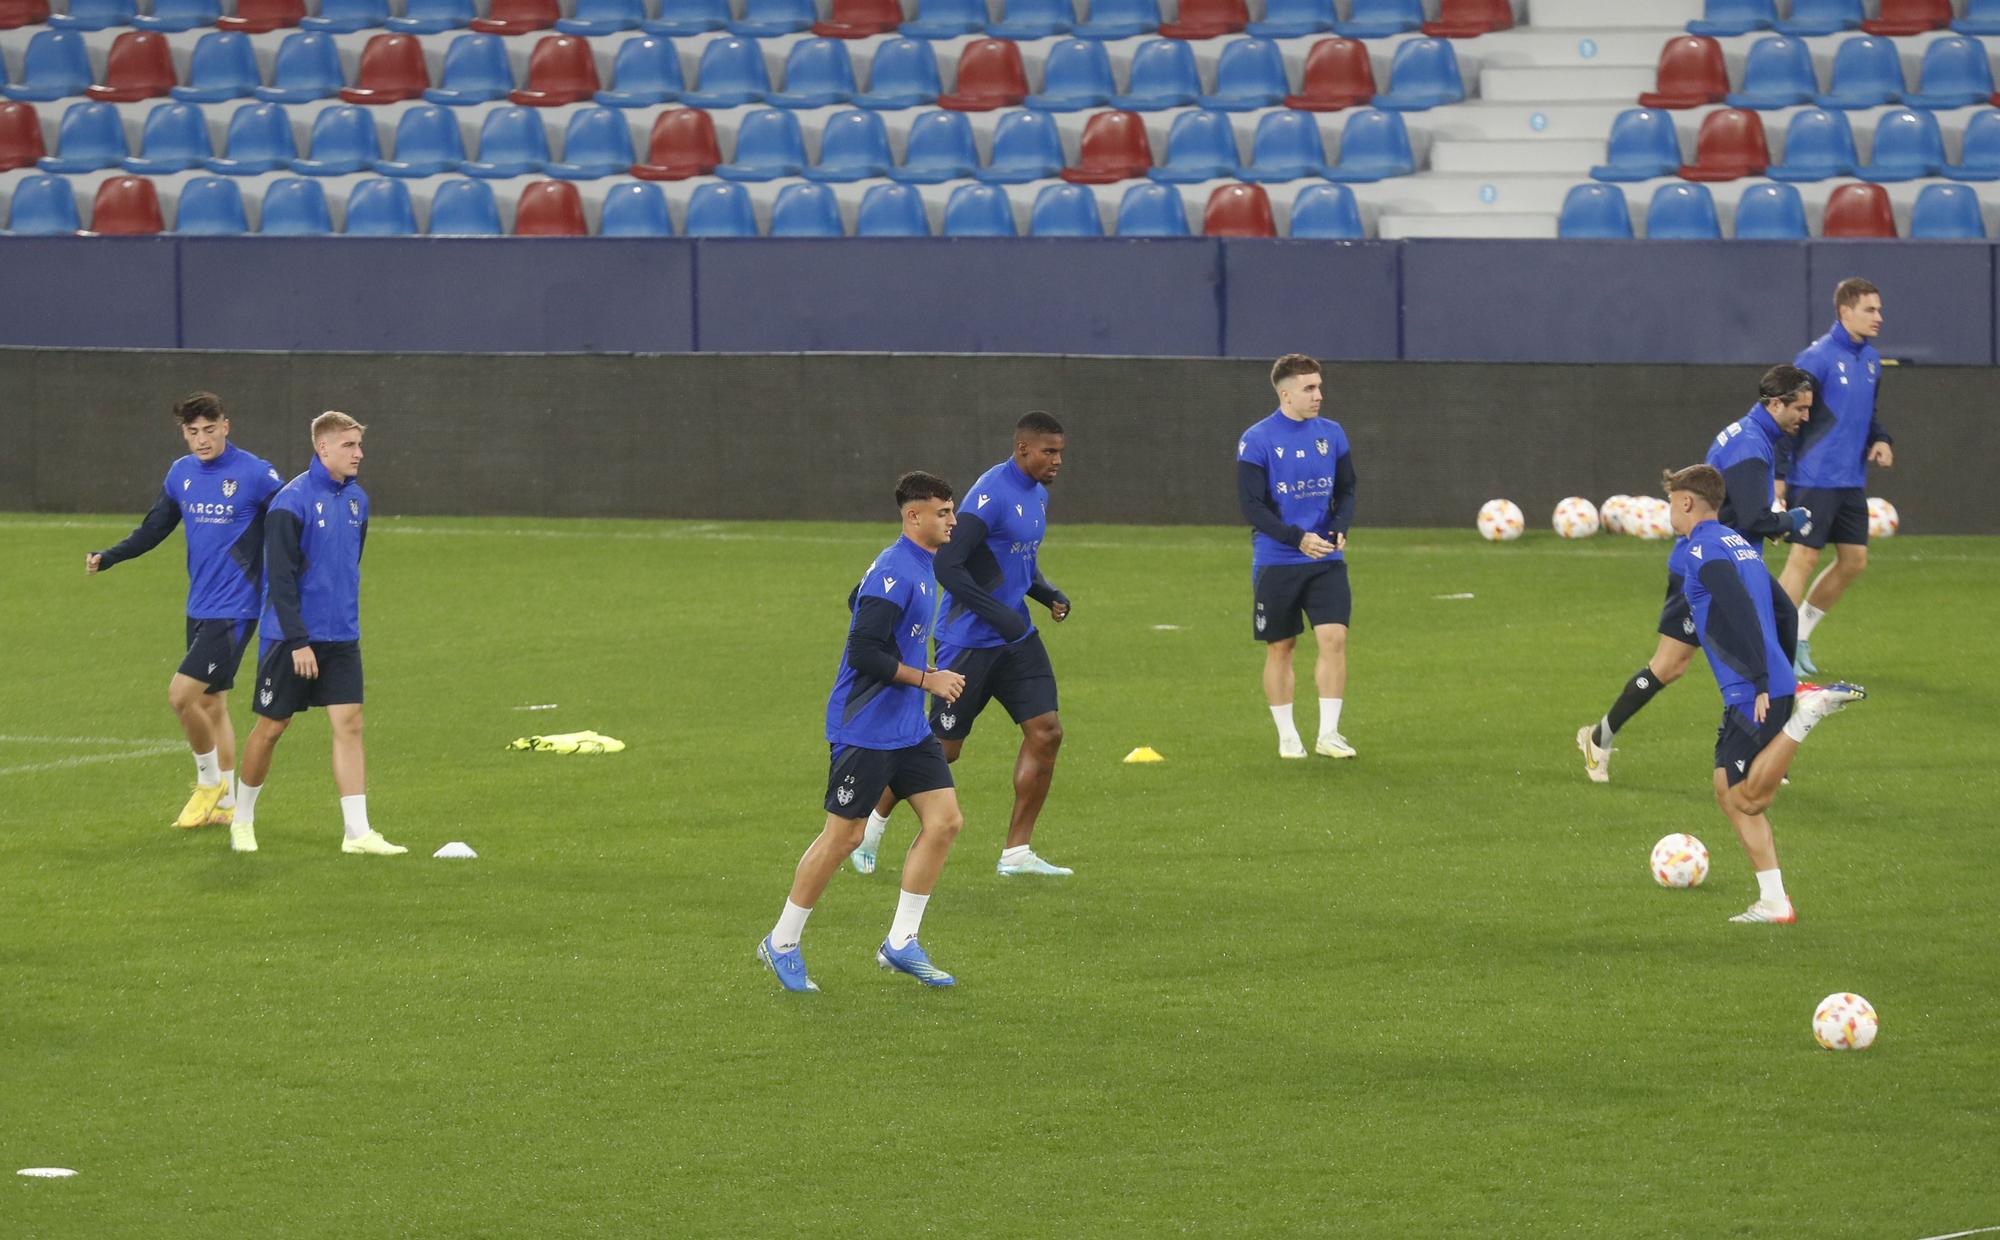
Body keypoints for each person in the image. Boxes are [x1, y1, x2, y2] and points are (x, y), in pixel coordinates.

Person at [760, 472, 969, 993]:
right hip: (864, 729)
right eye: (943, 512)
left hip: (906, 728)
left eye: (952, 511)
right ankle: (781, 942)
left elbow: (858, 598)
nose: (952, 520)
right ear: (913, 516)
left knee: (944, 822)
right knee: (844, 835)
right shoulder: (898, 570)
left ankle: (901, 942)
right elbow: (864, 651)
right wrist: (929, 679)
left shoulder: (917, 564)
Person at [854, 412, 1072, 879]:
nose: (1057, 460)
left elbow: (1017, 562)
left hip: (1017, 640)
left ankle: (1016, 853)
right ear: (1022, 450)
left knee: (1047, 732)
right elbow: (950, 566)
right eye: (1048, 451)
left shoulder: (1038, 496)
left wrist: (1047, 594)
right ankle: (871, 823)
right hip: (968, 643)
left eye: (1060, 452)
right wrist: (1000, 615)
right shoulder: (990, 497)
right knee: (942, 750)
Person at [1577, 366, 1817, 782]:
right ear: (1775, 404)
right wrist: (1792, 520)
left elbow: (1737, 513)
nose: (1805, 417)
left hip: (1737, 562)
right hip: (1706, 569)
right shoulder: (1749, 446)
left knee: (1783, 620)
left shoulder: (1755, 436)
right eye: (1800, 408)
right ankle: (1598, 737)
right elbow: (1753, 518)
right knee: (1670, 666)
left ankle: (1767, 746)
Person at [1662, 464, 1865, 925]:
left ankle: (1805, 717)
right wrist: (1779, 666)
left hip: (1752, 689)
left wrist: (1758, 678)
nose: (1669, 511)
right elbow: (1782, 611)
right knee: (1724, 788)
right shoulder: (1738, 544)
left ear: (1688, 502)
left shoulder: (1700, 550)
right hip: (1770, 681)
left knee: (1748, 799)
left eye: (1672, 502)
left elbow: (1734, 606)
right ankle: (1774, 902)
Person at [86, 393, 284, 831]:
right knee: (212, 703)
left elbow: (290, 527)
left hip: (237, 608)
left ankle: (208, 782)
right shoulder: (182, 474)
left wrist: (288, 591)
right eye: (193, 432)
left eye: (209, 430)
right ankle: (226, 805)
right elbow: (155, 528)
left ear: (226, 426)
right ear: (184, 433)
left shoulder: (257, 474)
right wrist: (112, 555)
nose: (202, 439)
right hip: (199, 604)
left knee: (181, 695)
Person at [232, 412, 404, 856]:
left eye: (359, 445)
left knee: (350, 724)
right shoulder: (290, 502)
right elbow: (280, 581)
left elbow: (350, 563)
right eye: (349, 445)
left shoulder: (357, 501)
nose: (359, 453)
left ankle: (357, 833)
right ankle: (242, 819)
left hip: (342, 635)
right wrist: (298, 641)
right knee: (272, 728)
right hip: (290, 639)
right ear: (322, 448)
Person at [1236, 354, 1357, 760]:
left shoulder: (1333, 433)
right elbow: (1253, 507)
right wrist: (1296, 539)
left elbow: (1347, 490)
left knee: (1334, 638)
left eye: (1319, 386)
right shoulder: (1257, 439)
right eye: (1309, 388)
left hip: (1325, 559)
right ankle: (1288, 736)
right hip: (1278, 560)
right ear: (1285, 394)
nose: (1318, 395)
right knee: (1281, 646)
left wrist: (1339, 526)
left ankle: (1330, 734)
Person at [1778, 277, 1893, 678]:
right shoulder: (1816, 359)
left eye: (1879, 310)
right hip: (1813, 477)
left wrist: (1879, 439)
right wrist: (1778, 476)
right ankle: (1780, 646)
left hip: (1849, 480)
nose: (1879, 317)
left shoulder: (1873, 360)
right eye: (1870, 310)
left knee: (1854, 561)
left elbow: (1868, 415)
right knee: (1804, 558)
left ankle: (1802, 635)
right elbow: (1784, 415)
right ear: (1845, 312)